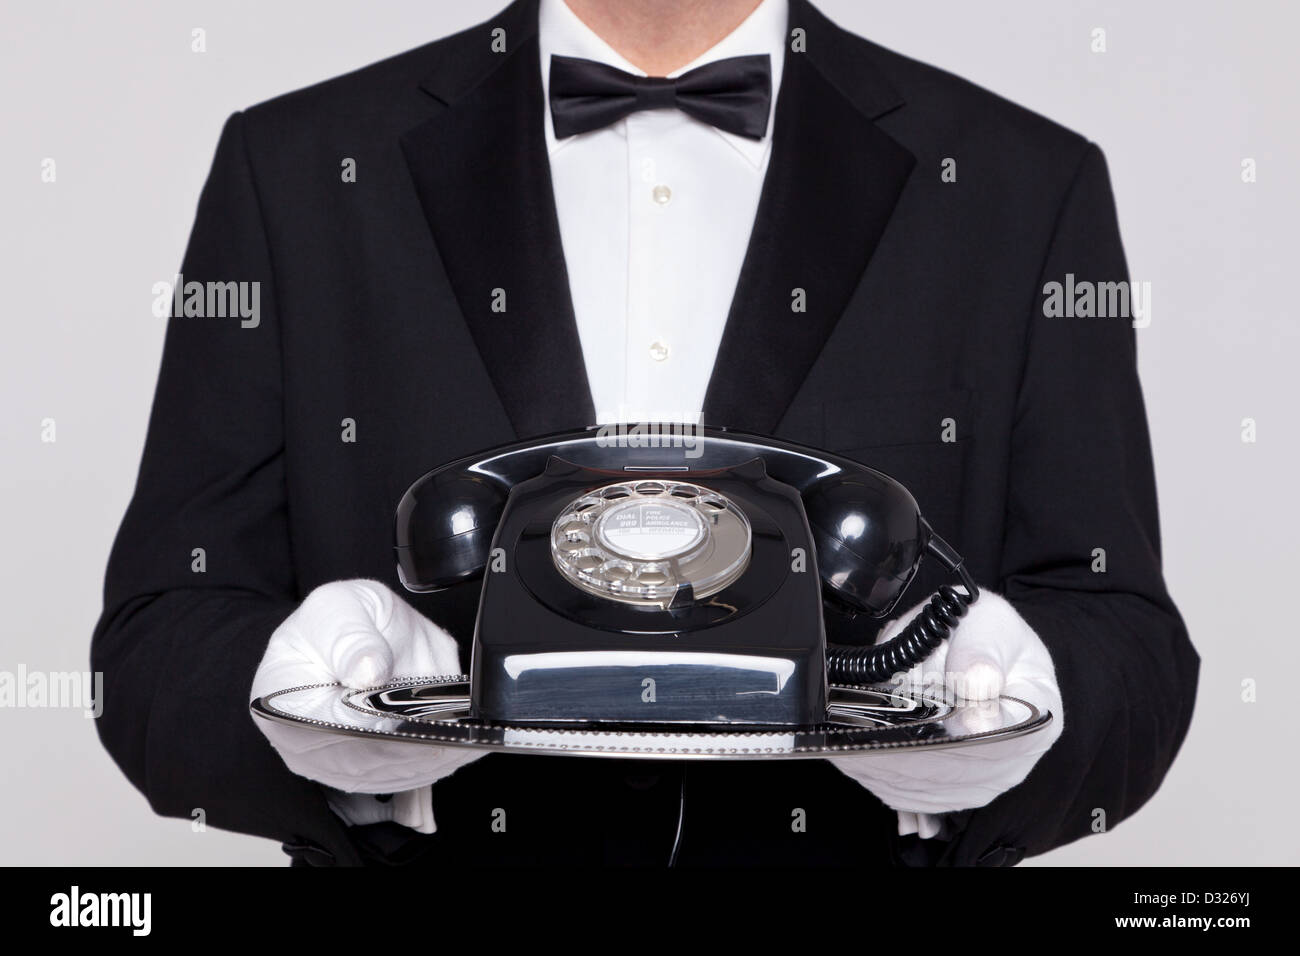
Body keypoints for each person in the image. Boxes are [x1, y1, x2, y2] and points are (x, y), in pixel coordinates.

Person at [92, 0, 1199, 866]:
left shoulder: (1022, 186)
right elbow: (152, 648)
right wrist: (304, 707)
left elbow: (1132, 650)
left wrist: (1004, 707)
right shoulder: (294, 171)